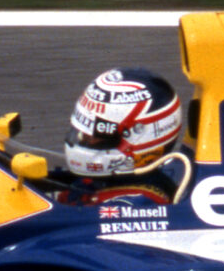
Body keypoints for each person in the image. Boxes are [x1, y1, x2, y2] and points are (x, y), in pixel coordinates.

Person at [57, 67, 190, 205]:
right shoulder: (95, 181)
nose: (84, 138)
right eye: (83, 132)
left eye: (96, 136)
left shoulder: (137, 203)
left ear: (139, 137)